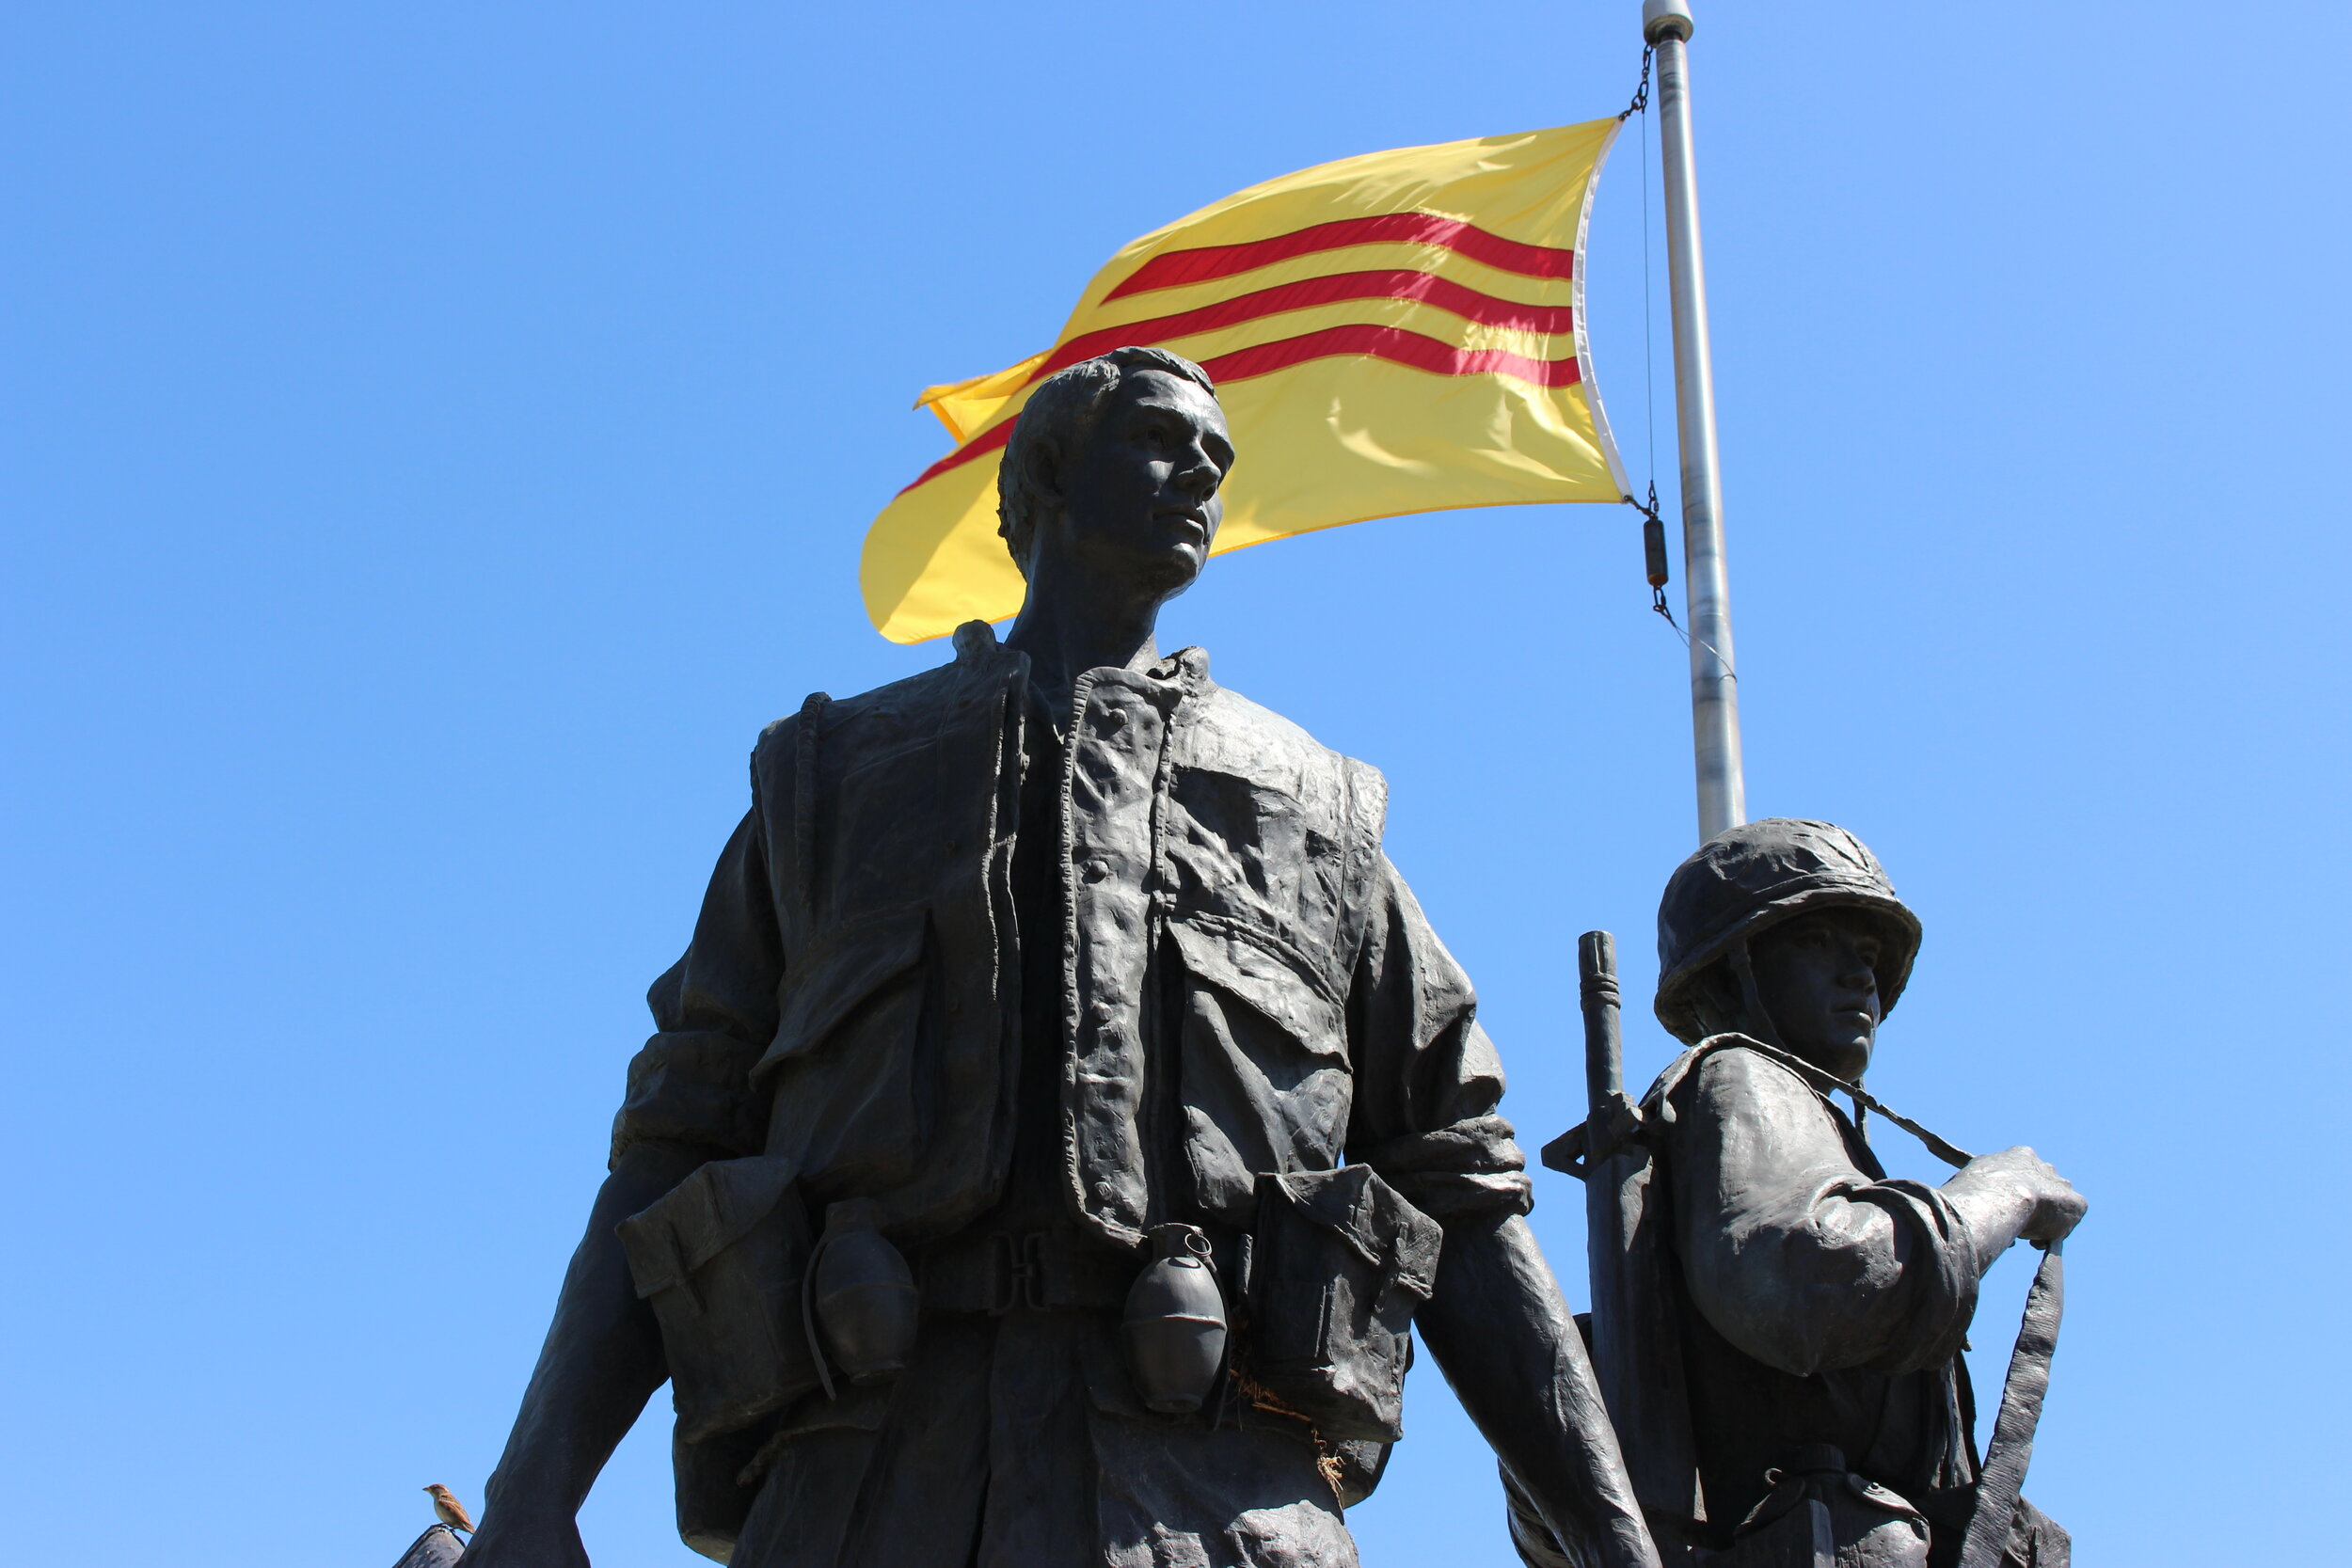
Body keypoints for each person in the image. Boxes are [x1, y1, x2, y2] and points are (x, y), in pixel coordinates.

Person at [460, 347, 1660, 1568]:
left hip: (1224, 1505)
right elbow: (672, 1148)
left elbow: (1461, 1186)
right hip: (866, 1497)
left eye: (1217, 454)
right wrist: (532, 1488)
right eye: (1159, 437)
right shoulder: (828, 784)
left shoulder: (1318, 810)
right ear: (1042, 472)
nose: (1203, 465)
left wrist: (1617, 1541)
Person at [1550, 820, 2083, 1568]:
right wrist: (2000, 1193)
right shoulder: (1740, 1075)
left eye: (1866, 955)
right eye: (1816, 942)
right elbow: (1806, 1280)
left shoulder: (1807, 1123)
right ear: (1736, 970)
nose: (1858, 975)